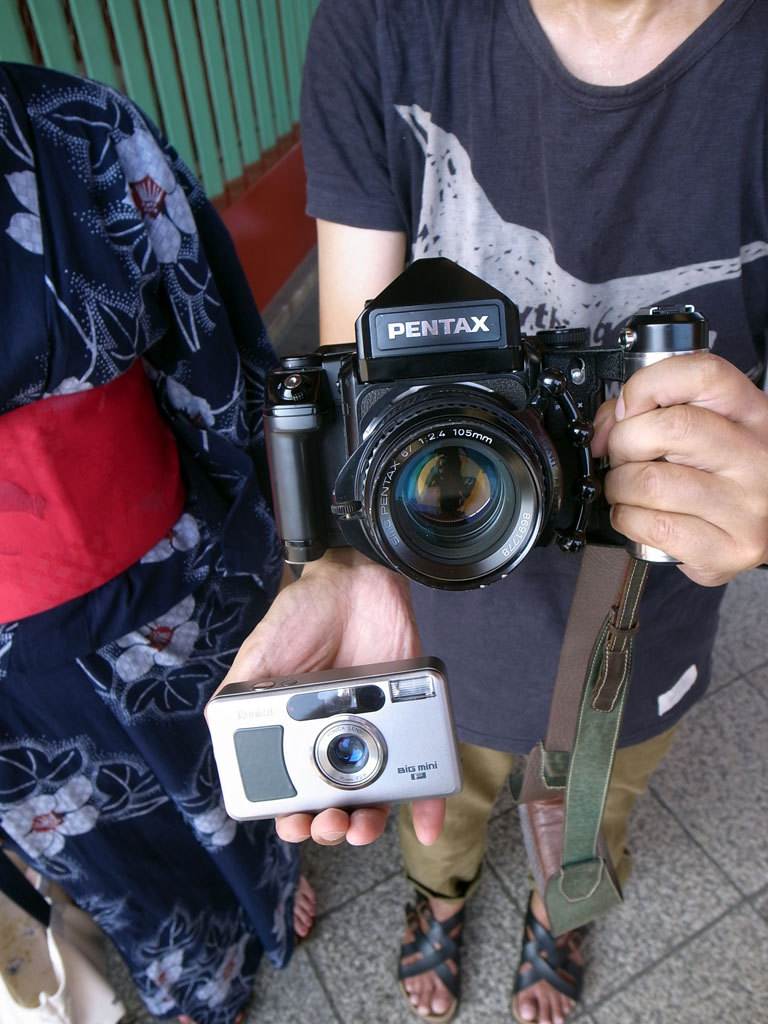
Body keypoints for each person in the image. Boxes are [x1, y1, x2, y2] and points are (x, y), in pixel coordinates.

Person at [223, 1, 768, 1022]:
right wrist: (341, 557)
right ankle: (440, 900)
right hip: (427, 623)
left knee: (593, 806)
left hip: (641, 624)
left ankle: (561, 913)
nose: (471, 473)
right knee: (438, 805)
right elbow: (363, 380)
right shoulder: (380, 21)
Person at [0, 62, 315, 1024]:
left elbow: (208, 349)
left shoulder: (66, 125)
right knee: (96, 844)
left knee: (232, 752)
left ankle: (271, 885)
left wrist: (268, 530)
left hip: (156, 573)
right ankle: (192, 966)